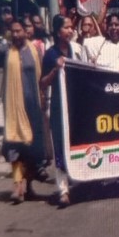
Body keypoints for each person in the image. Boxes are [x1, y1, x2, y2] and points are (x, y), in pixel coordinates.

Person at [1, 18, 48, 203]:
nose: (16, 34)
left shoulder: (34, 51)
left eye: (18, 30)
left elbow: (42, 77)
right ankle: (16, 185)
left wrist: (44, 97)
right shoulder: (7, 53)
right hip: (13, 107)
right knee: (15, 144)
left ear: (25, 32)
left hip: (32, 106)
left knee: (30, 147)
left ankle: (28, 186)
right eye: (13, 31)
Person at [40, 15, 80, 207]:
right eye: (66, 27)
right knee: (60, 146)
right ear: (57, 32)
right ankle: (63, 189)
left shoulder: (75, 50)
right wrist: (55, 70)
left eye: (72, 27)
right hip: (58, 107)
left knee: (74, 144)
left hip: (74, 105)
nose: (70, 30)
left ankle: (77, 181)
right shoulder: (50, 54)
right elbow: (42, 82)